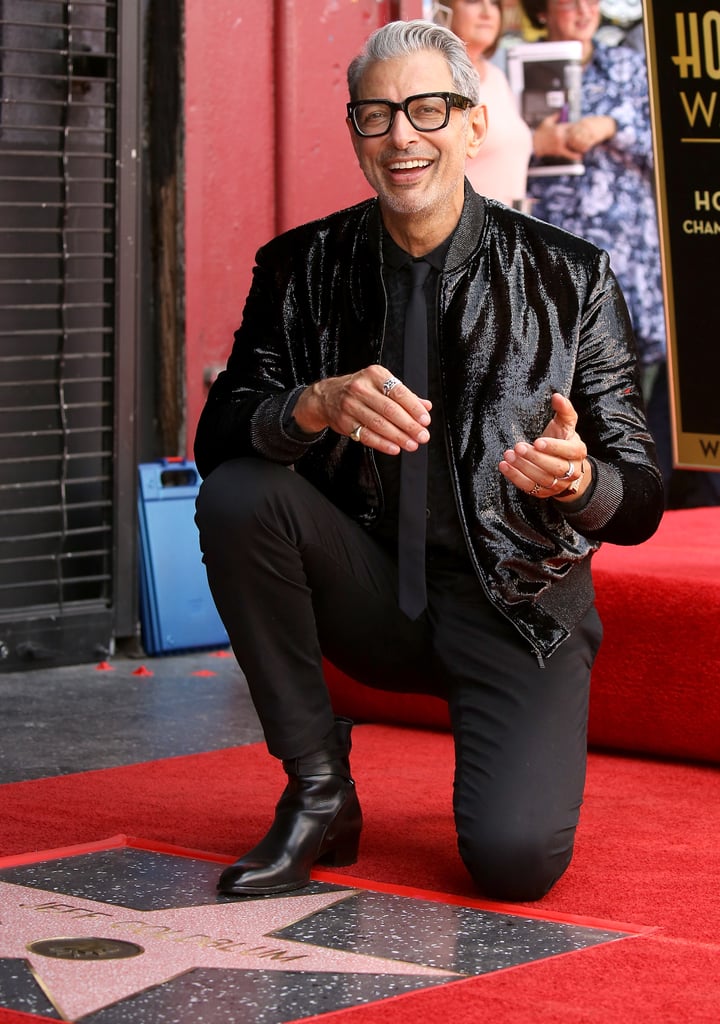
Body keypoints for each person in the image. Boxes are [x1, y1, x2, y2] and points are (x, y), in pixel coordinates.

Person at [194, 19, 663, 904]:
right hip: (371, 591)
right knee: (239, 493)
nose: (402, 135)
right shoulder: (300, 268)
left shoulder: (573, 277)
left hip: (515, 607)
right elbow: (216, 440)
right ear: (356, 134)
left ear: (473, 125)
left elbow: (641, 496)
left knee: (516, 863)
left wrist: (581, 480)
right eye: (377, 115)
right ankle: (319, 790)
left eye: (426, 109)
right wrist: (309, 406)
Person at [518, 1, 667, 463]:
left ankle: (628, 480)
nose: (584, 10)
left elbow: (670, 143)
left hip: (625, 251)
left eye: (591, 0)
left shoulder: (629, 64)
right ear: (543, 11)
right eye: (569, 1)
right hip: (551, 248)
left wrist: (612, 127)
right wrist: (535, 141)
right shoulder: (519, 66)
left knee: (625, 376)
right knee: (552, 371)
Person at [441, 0, 533, 206]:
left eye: (494, 3)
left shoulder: (497, 76)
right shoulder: (441, 77)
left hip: (507, 229)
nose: (487, 12)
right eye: (473, 1)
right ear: (444, 9)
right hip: (465, 229)